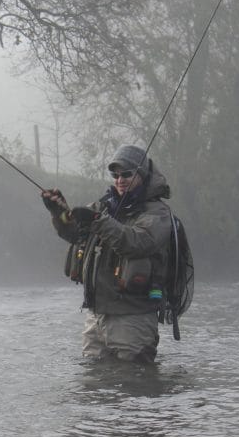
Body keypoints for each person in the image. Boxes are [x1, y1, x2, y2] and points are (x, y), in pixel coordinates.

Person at [41, 145, 173, 363]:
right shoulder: (103, 207)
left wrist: (97, 220)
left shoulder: (156, 213)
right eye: (115, 175)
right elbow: (75, 234)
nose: (120, 180)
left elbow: (136, 242)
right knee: (94, 386)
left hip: (133, 318)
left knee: (135, 384)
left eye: (127, 174)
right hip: (96, 316)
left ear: (141, 175)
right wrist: (58, 213)